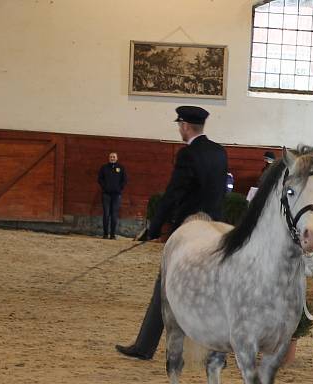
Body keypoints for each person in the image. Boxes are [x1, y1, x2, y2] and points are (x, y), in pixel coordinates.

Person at [115, 106, 228, 360]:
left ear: (186, 126)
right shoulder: (220, 152)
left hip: (190, 228)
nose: (179, 129)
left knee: (165, 285)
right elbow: (221, 192)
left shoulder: (188, 155)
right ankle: (216, 351)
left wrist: (152, 229)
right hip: (215, 227)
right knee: (210, 288)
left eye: (180, 126)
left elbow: (173, 194)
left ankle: (144, 346)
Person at [97, 151, 127, 239]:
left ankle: (112, 235)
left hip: (116, 195)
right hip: (106, 195)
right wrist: (104, 187)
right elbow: (100, 179)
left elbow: (124, 180)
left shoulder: (121, 168)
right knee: (106, 214)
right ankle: (105, 234)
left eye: (114, 157)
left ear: (117, 158)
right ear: (108, 158)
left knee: (114, 215)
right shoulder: (104, 168)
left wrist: (119, 188)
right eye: (111, 157)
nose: (112, 158)